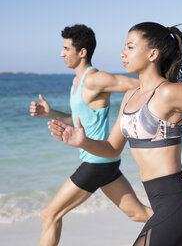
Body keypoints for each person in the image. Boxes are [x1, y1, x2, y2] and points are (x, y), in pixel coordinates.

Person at [48, 22, 182, 246]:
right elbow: (111, 149)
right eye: (124, 47)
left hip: (177, 198)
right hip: (158, 200)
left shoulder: (169, 92)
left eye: (130, 47)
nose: (122, 53)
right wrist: (83, 142)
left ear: (152, 54)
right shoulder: (130, 97)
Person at [30, 24, 152, 246]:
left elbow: (141, 85)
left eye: (67, 49)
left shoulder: (94, 79)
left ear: (82, 52)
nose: (61, 53)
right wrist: (50, 113)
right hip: (103, 161)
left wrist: (133, 118)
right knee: (138, 214)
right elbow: (79, 122)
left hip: (96, 162)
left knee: (49, 214)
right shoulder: (77, 82)